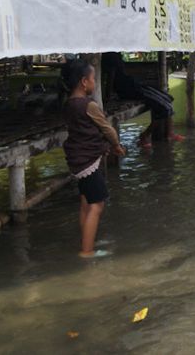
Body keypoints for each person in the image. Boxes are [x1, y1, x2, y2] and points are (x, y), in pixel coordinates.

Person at [60, 59, 126, 258]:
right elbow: (107, 128)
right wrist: (116, 145)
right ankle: (87, 251)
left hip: (77, 160)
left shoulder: (69, 104)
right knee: (97, 205)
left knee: (86, 203)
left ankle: (87, 240)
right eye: (93, 79)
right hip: (88, 161)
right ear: (84, 82)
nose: (95, 83)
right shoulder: (89, 105)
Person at [101, 52, 183, 148]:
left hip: (132, 85)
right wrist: (108, 96)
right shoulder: (111, 56)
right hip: (128, 90)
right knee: (164, 107)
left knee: (167, 99)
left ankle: (170, 133)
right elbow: (111, 77)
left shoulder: (115, 54)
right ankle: (145, 136)